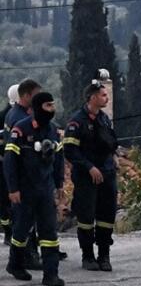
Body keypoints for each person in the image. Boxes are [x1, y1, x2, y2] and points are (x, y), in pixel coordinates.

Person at [4, 92, 65, 286]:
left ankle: (51, 275)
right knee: (22, 231)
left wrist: (59, 185)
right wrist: (13, 188)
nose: (52, 109)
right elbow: (10, 162)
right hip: (24, 189)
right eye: (48, 106)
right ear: (38, 107)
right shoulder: (20, 130)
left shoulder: (53, 131)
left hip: (45, 189)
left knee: (49, 232)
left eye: (53, 105)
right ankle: (15, 264)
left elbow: (59, 160)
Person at [63, 81, 118, 272]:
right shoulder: (76, 122)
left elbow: (110, 143)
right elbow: (70, 151)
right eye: (103, 95)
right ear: (92, 97)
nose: (106, 98)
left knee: (106, 216)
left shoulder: (104, 119)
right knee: (86, 218)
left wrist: (113, 158)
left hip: (107, 174)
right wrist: (89, 167)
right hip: (87, 177)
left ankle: (104, 256)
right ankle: (88, 256)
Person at [4, 79, 43, 270]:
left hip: (31, 177)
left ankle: (30, 254)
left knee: (29, 220)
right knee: (24, 220)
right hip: (23, 178)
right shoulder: (17, 118)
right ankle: (24, 257)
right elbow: (13, 154)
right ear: (26, 96)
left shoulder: (20, 114)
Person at [0, 84, 19, 245]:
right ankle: (8, 232)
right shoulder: (9, 116)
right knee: (6, 202)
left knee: (5, 202)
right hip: (6, 165)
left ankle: (9, 232)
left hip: (9, 164)